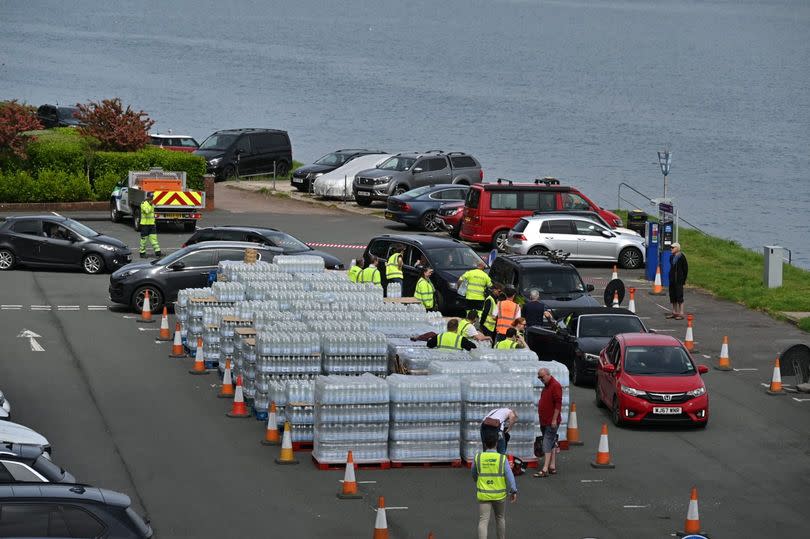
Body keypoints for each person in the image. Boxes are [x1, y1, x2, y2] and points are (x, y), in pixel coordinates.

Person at [472, 429, 517, 539]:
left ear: (484, 443)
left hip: (484, 493)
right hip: (499, 495)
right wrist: (513, 490)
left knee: (483, 520)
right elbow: (510, 476)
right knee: (500, 518)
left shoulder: (478, 457)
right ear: (496, 443)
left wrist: (478, 481)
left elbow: (474, 473)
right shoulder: (502, 458)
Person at [534, 367, 562, 478]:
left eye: (542, 377)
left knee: (547, 442)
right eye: (539, 377)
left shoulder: (555, 386)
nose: (540, 379)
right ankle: (552, 466)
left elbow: (558, 404)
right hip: (545, 421)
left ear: (548, 374)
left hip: (551, 421)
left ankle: (545, 468)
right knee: (551, 442)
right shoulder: (546, 387)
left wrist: (554, 419)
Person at [667, 242, 688, 320]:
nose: (671, 249)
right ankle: (674, 312)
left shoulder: (682, 257)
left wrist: (683, 279)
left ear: (677, 248)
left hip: (679, 280)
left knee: (679, 296)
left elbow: (685, 269)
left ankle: (681, 312)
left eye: (673, 248)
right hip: (672, 279)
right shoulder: (671, 257)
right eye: (671, 248)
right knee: (672, 295)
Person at [139, 192, 162, 258]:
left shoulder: (152, 203)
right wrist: (150, 204)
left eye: (152, 197)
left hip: (152, 224)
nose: (151, 198)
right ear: (147, 197)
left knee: (154, 239)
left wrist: (151, 204)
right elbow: (147, 211)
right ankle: (142, 253)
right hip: (145, 225)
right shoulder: (143, 203)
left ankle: (158, 252)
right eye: (150, 197)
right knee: (144, 240)